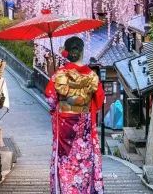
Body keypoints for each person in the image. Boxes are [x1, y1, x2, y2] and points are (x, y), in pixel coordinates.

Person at [44, 36, 105, 193]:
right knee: (84, 161)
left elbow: (50, 99)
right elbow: (99, 101)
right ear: (82, 51)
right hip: (83, 126)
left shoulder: (60, 74)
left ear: (67, 52)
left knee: (65, 161)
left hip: (64, 126)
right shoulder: (92, 75)